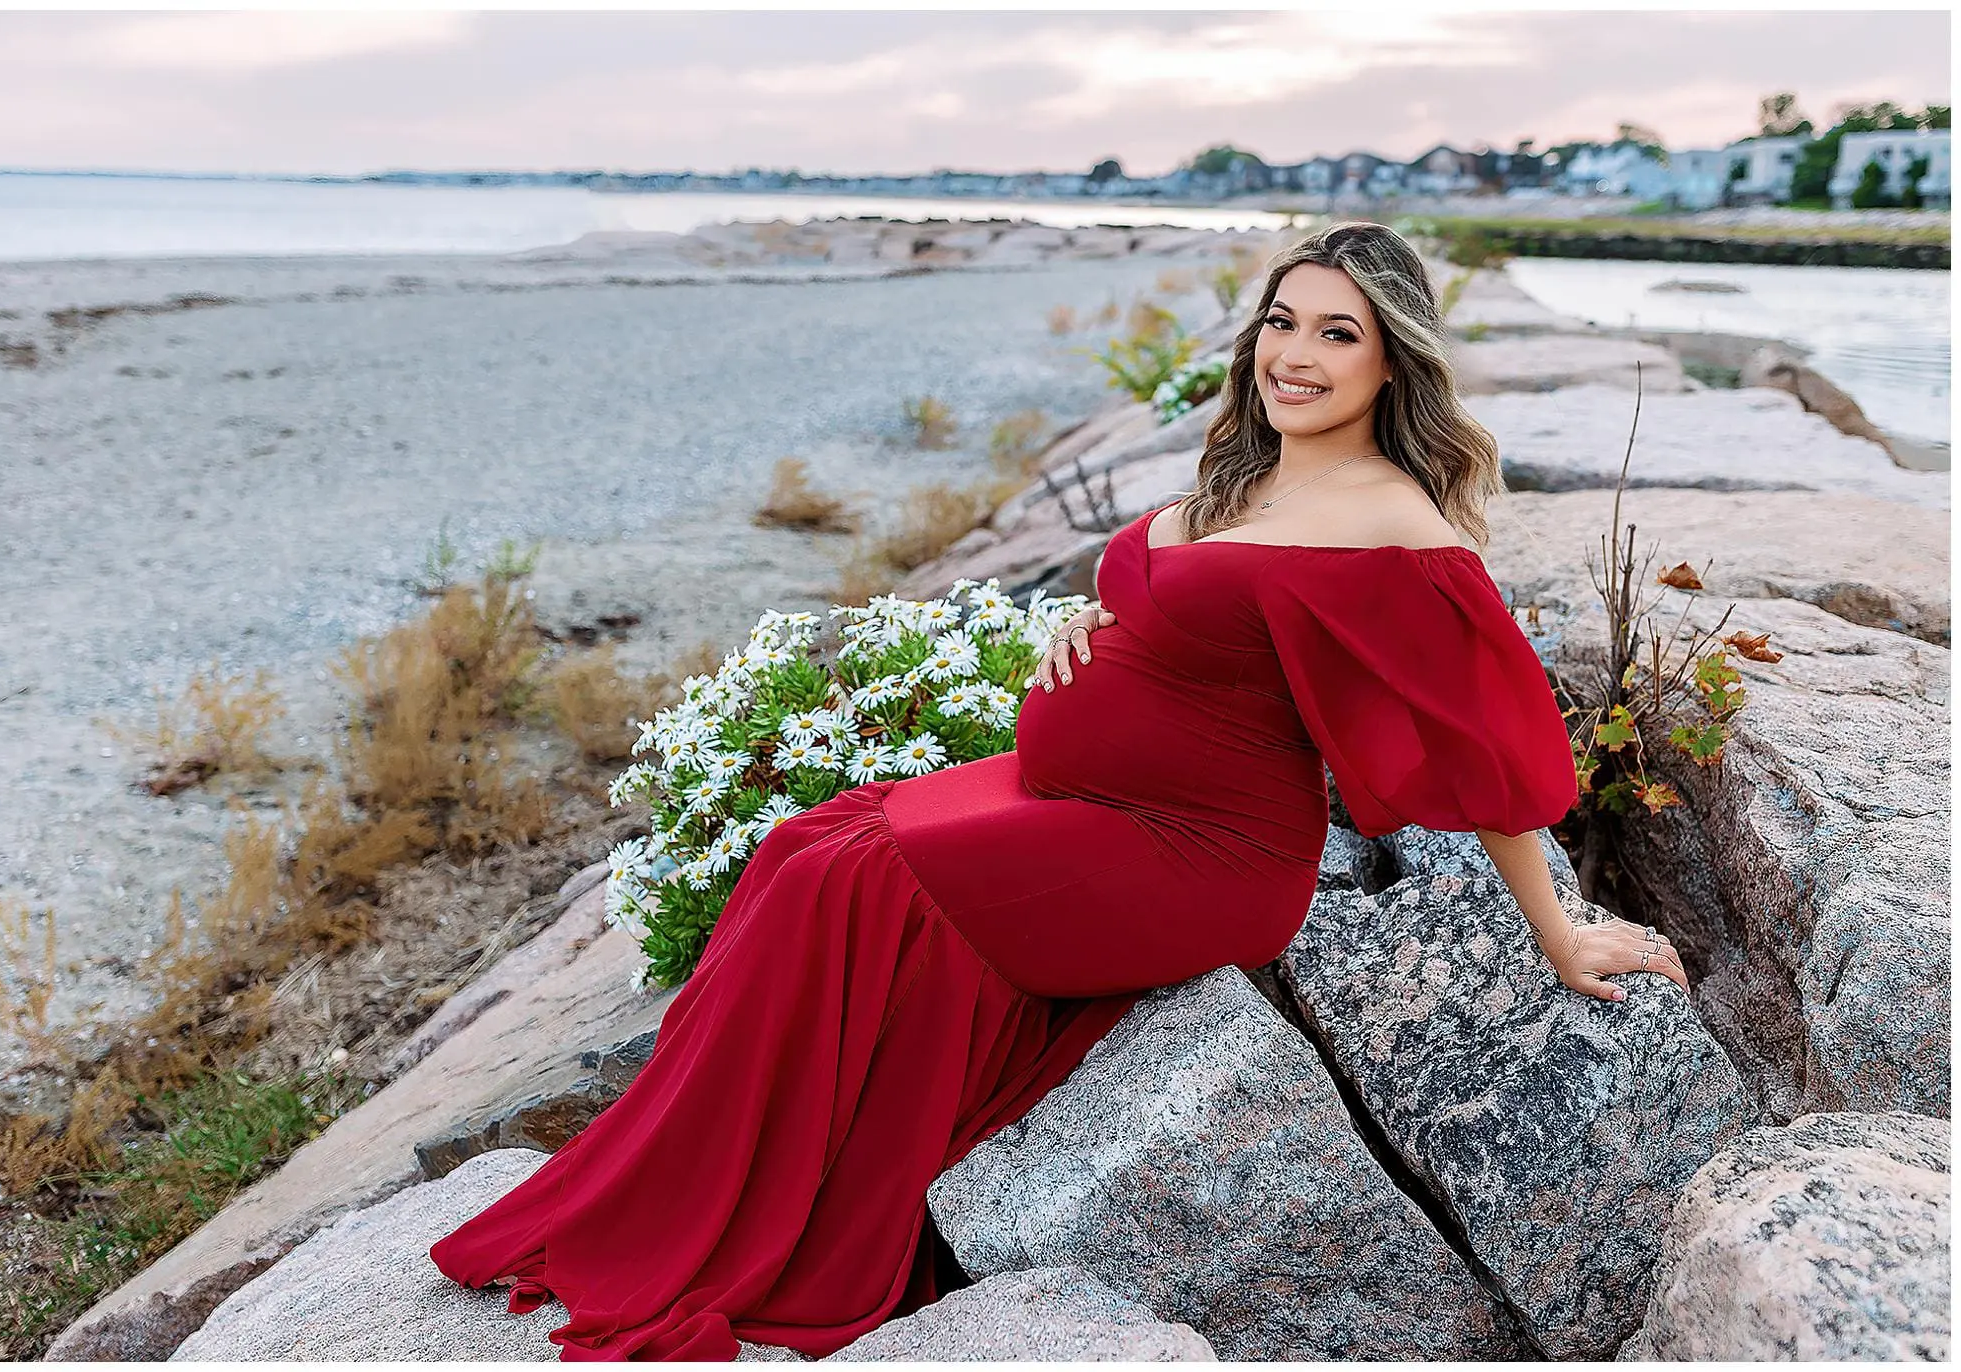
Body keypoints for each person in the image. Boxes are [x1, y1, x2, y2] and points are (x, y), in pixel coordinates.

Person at [428, 220, 1691, 1360]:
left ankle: (736, 1214)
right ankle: (671, 1175)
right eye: (1281, 321)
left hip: (1202, 854)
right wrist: (1089, 619)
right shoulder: (1253, 468)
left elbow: (1489, 747)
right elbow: (1193, 597)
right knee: (810, 843)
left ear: (1390, 364)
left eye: (1336, 335)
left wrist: (1556, 927)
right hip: (1089, 802)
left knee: (866, 878)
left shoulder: (1392, 523)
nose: (1293, 355)